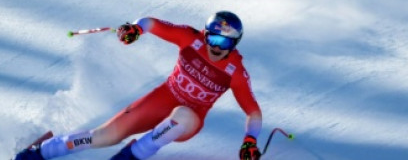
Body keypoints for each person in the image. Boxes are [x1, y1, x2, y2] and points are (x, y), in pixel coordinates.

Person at [14, 11, 263, 160]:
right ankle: (40, 151)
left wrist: (250, 139)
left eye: (226, 43)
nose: (217, 47)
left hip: (190, 119)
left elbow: (253, 111)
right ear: (205, 34)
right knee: (105, 136)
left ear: (235, 45)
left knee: (183, 115)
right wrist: (135, 29)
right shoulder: (190, 39)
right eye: (214, 38)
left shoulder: (235, 72)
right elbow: (151, 23)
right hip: (160, 100)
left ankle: (130, 157)